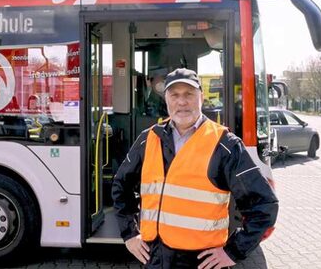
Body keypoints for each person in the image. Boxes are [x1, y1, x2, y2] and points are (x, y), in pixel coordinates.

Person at [112, 68, 278, 268]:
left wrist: (233, 252)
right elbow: (121, 185)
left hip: (201, 262)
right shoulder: (149, 139)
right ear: (166, 99)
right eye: (175, 95)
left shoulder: (225, 145)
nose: (182, 102)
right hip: (155, 257)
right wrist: (129, 235)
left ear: (202, 97)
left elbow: (264, 205)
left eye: (189, 94)